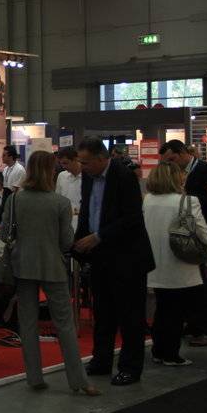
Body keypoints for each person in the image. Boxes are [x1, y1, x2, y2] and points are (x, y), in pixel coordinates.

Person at [8, 150, 99, 396]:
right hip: (52, 266)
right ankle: (79, 381)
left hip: (23, 266)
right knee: (65, 325)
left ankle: (34, 378)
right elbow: (66, 241)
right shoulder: (60, 203)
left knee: (27, 324)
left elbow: (7, 232)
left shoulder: (15, 199)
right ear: (51, 171)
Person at [73, 137, 153, 386]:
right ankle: (101, 359)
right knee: (103, 312)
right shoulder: (89, 177)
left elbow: (131, 219)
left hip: (127, 257)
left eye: (86, 163)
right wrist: (77, 245)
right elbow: (87, 211)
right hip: (101, 257)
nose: (82, 167)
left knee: (130, 315)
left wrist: (98, 237)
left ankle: (130, 367)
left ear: (101, 158)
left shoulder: (124, 176)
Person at [142, 161, 207, 369]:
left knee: (162, 309)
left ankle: (159, 350)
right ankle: (171, 354)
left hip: (155, 264)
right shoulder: (188, 201)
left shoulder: (147, 201)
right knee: (176, 312)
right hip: (181, 264)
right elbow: (203, 233)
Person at [162, 140, 207, 347]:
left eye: (172, 158)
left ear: (182, 153)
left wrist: (187, 200)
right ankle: (193, 324)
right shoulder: (175, 173)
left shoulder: (206, 169)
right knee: (188, 282)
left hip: (201, 233)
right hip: (184, 235)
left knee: (204, 284)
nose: (171, 163)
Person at [53, 147, 82, 223]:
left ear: (76, 159)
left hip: (82, 221)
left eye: (65, 163)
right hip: (66, 221)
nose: (63, 167)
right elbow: (57, 199)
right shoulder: (62, 176)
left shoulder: (88, 177)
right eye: (61, 163)